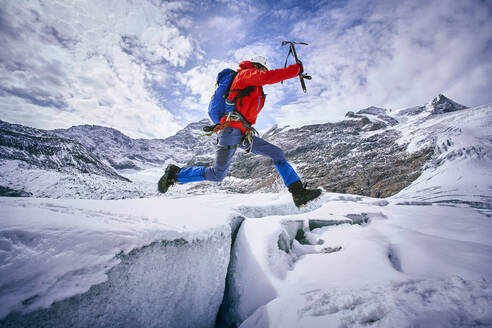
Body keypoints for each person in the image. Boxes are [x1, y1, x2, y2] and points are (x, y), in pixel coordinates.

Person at [158, 56, 321, 208]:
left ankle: (298, 194)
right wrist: (295, 70)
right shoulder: (246, 74)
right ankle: (176, 174)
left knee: (277, 153)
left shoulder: (254, 84)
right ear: (258, 66)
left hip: (243, 134)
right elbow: (266, 77)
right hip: (230, 130)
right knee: (218, 174)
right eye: (263, 69)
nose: (263, 73)